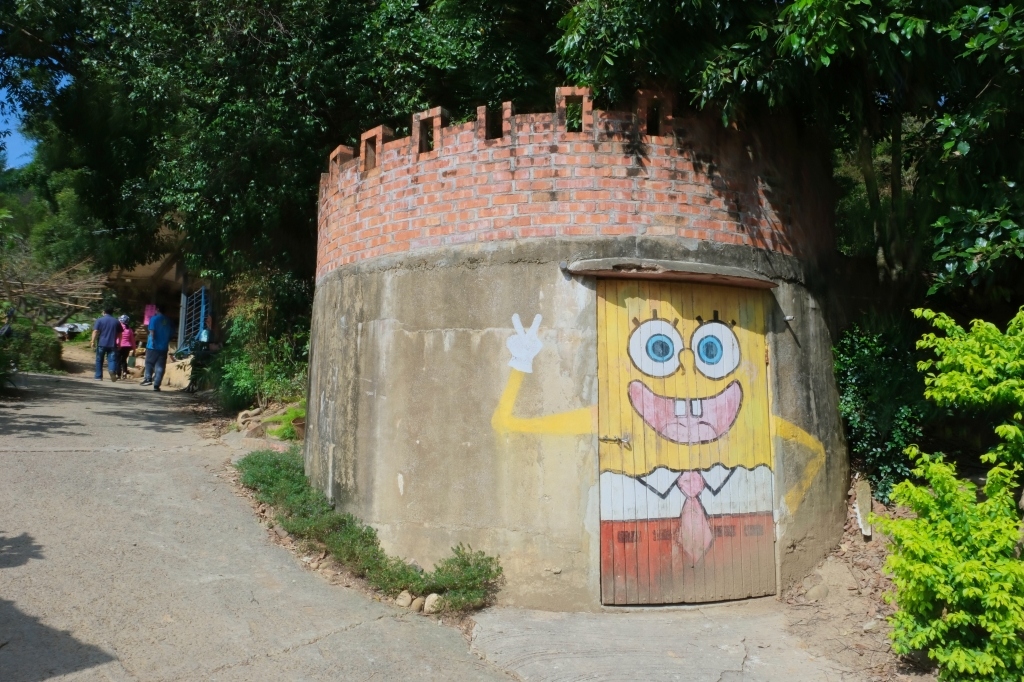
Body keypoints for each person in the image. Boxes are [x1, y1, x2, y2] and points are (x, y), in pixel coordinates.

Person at [142, 304, 173, 391]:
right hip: (163, 347)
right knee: (160, 366)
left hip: (152, 346)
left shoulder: (154, 319)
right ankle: (157, 384)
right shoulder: (169, 320)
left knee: (149, 363)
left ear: (158, 310)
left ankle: (148, 378)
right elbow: (171, 333)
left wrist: (153, 341)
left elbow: (152, 331)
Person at [91, 307, 123, 381]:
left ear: (104, 312)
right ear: (112, 312)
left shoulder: (100, 320)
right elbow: (120, 334)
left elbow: (95, 331)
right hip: (112, 344)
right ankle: (112, 371)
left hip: (102, 343)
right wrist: (119, 343)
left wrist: (92, 341)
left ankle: (98, 376)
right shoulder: (116, 321)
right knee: (112, 360)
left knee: (99, 360)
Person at [116, 315, 136, 379]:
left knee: (118, 360)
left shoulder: (119, 328)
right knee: (124, 360)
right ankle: (124, 372)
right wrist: (134, 349)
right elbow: (132, 340)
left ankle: (118, 374)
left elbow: (116, 337)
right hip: (127, 346)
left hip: (120, 345)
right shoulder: (129, 329)